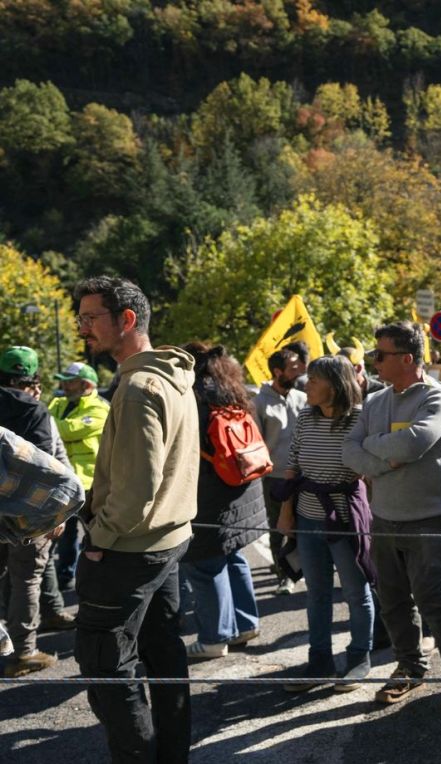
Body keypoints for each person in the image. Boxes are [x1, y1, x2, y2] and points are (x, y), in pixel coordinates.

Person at [73, 276, 199, 762]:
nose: (84, 329)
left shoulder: (140, 385)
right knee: (164, 656)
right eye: (81, 319)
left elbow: (136, 490)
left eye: (90, 319)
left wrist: (99, 538)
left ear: (126, 320)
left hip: (131, 549)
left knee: (108, 669)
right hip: (167, 541)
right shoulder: (169, 375)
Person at [343, 321, 441, 711]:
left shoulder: (436, 400)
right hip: (383, 518)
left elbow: (412, 444)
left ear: (407, 359)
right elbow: (348, 451)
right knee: (392, 601)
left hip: (427, 520)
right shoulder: (374, 402)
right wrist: (386, 456)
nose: (374, 361)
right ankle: (408, 667)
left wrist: (379, 457)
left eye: (381, 355)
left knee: (432, 599)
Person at [276, 355, 375, 692]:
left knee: (355, 591)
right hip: (307, 517)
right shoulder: (305, 417)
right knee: (316, 594)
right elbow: (292, 469)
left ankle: (359, 659)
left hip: (346, 519)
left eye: (315, 380)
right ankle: (319, 662)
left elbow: (370, 472)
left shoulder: (360, 419)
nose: (308, 385)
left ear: (335, 384)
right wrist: (286, 512)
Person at [179, 344, 268, 659]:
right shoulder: (232, 391)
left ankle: (215, 637)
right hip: (242, 487)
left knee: (204, 564)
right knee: (233, 556)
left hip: (210, 493)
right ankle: (246, 623)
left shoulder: (192, 395)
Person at [0, 346, 64, 676]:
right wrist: (59, 511)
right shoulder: (34, 410)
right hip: (27, 512)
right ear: (32, 379)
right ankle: (23, 652)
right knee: (27, 577)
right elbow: (49, 463)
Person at [48, 361, 109, 592]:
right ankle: (66, 577)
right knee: (65, 534)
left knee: (95, 536)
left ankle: (97, 580)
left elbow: (63, 430)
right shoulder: (58, 402)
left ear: (86, 384)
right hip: (61, 481)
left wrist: (52, 425)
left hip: (89, 483)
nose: (63, 385)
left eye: (69, 382)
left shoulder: (99, 408)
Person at [252, 347, 307, 596]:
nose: (300, 371)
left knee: (302, 525)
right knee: (278, 528)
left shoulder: (303, 397)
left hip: (303, 475)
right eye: (294, 367)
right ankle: (283, 575)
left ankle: (300, 569)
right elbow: (257, 442)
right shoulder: (259, 402)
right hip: (275, 478)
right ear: (278, 372)